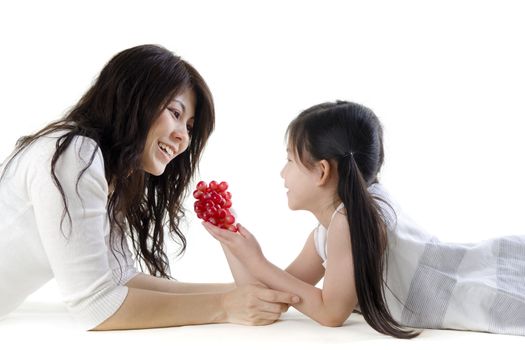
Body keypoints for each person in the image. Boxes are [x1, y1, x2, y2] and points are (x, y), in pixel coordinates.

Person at [0, 44, 299, 331]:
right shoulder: (74, 155)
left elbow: (120, 276)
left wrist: (240, 292)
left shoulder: (104, 167)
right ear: (133, 99)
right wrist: (225, 306)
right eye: (175, 113)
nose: (183, 137)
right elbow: (95, 305)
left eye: (190, 127)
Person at [203, 100, 525, 338]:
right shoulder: (330, 231)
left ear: (323, 171)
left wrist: (257, 261)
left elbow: (330, 313)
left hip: (480, 288)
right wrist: (231, 242)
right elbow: (270, 296)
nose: (282, 172)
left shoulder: (352, 222)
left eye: (289, 160)